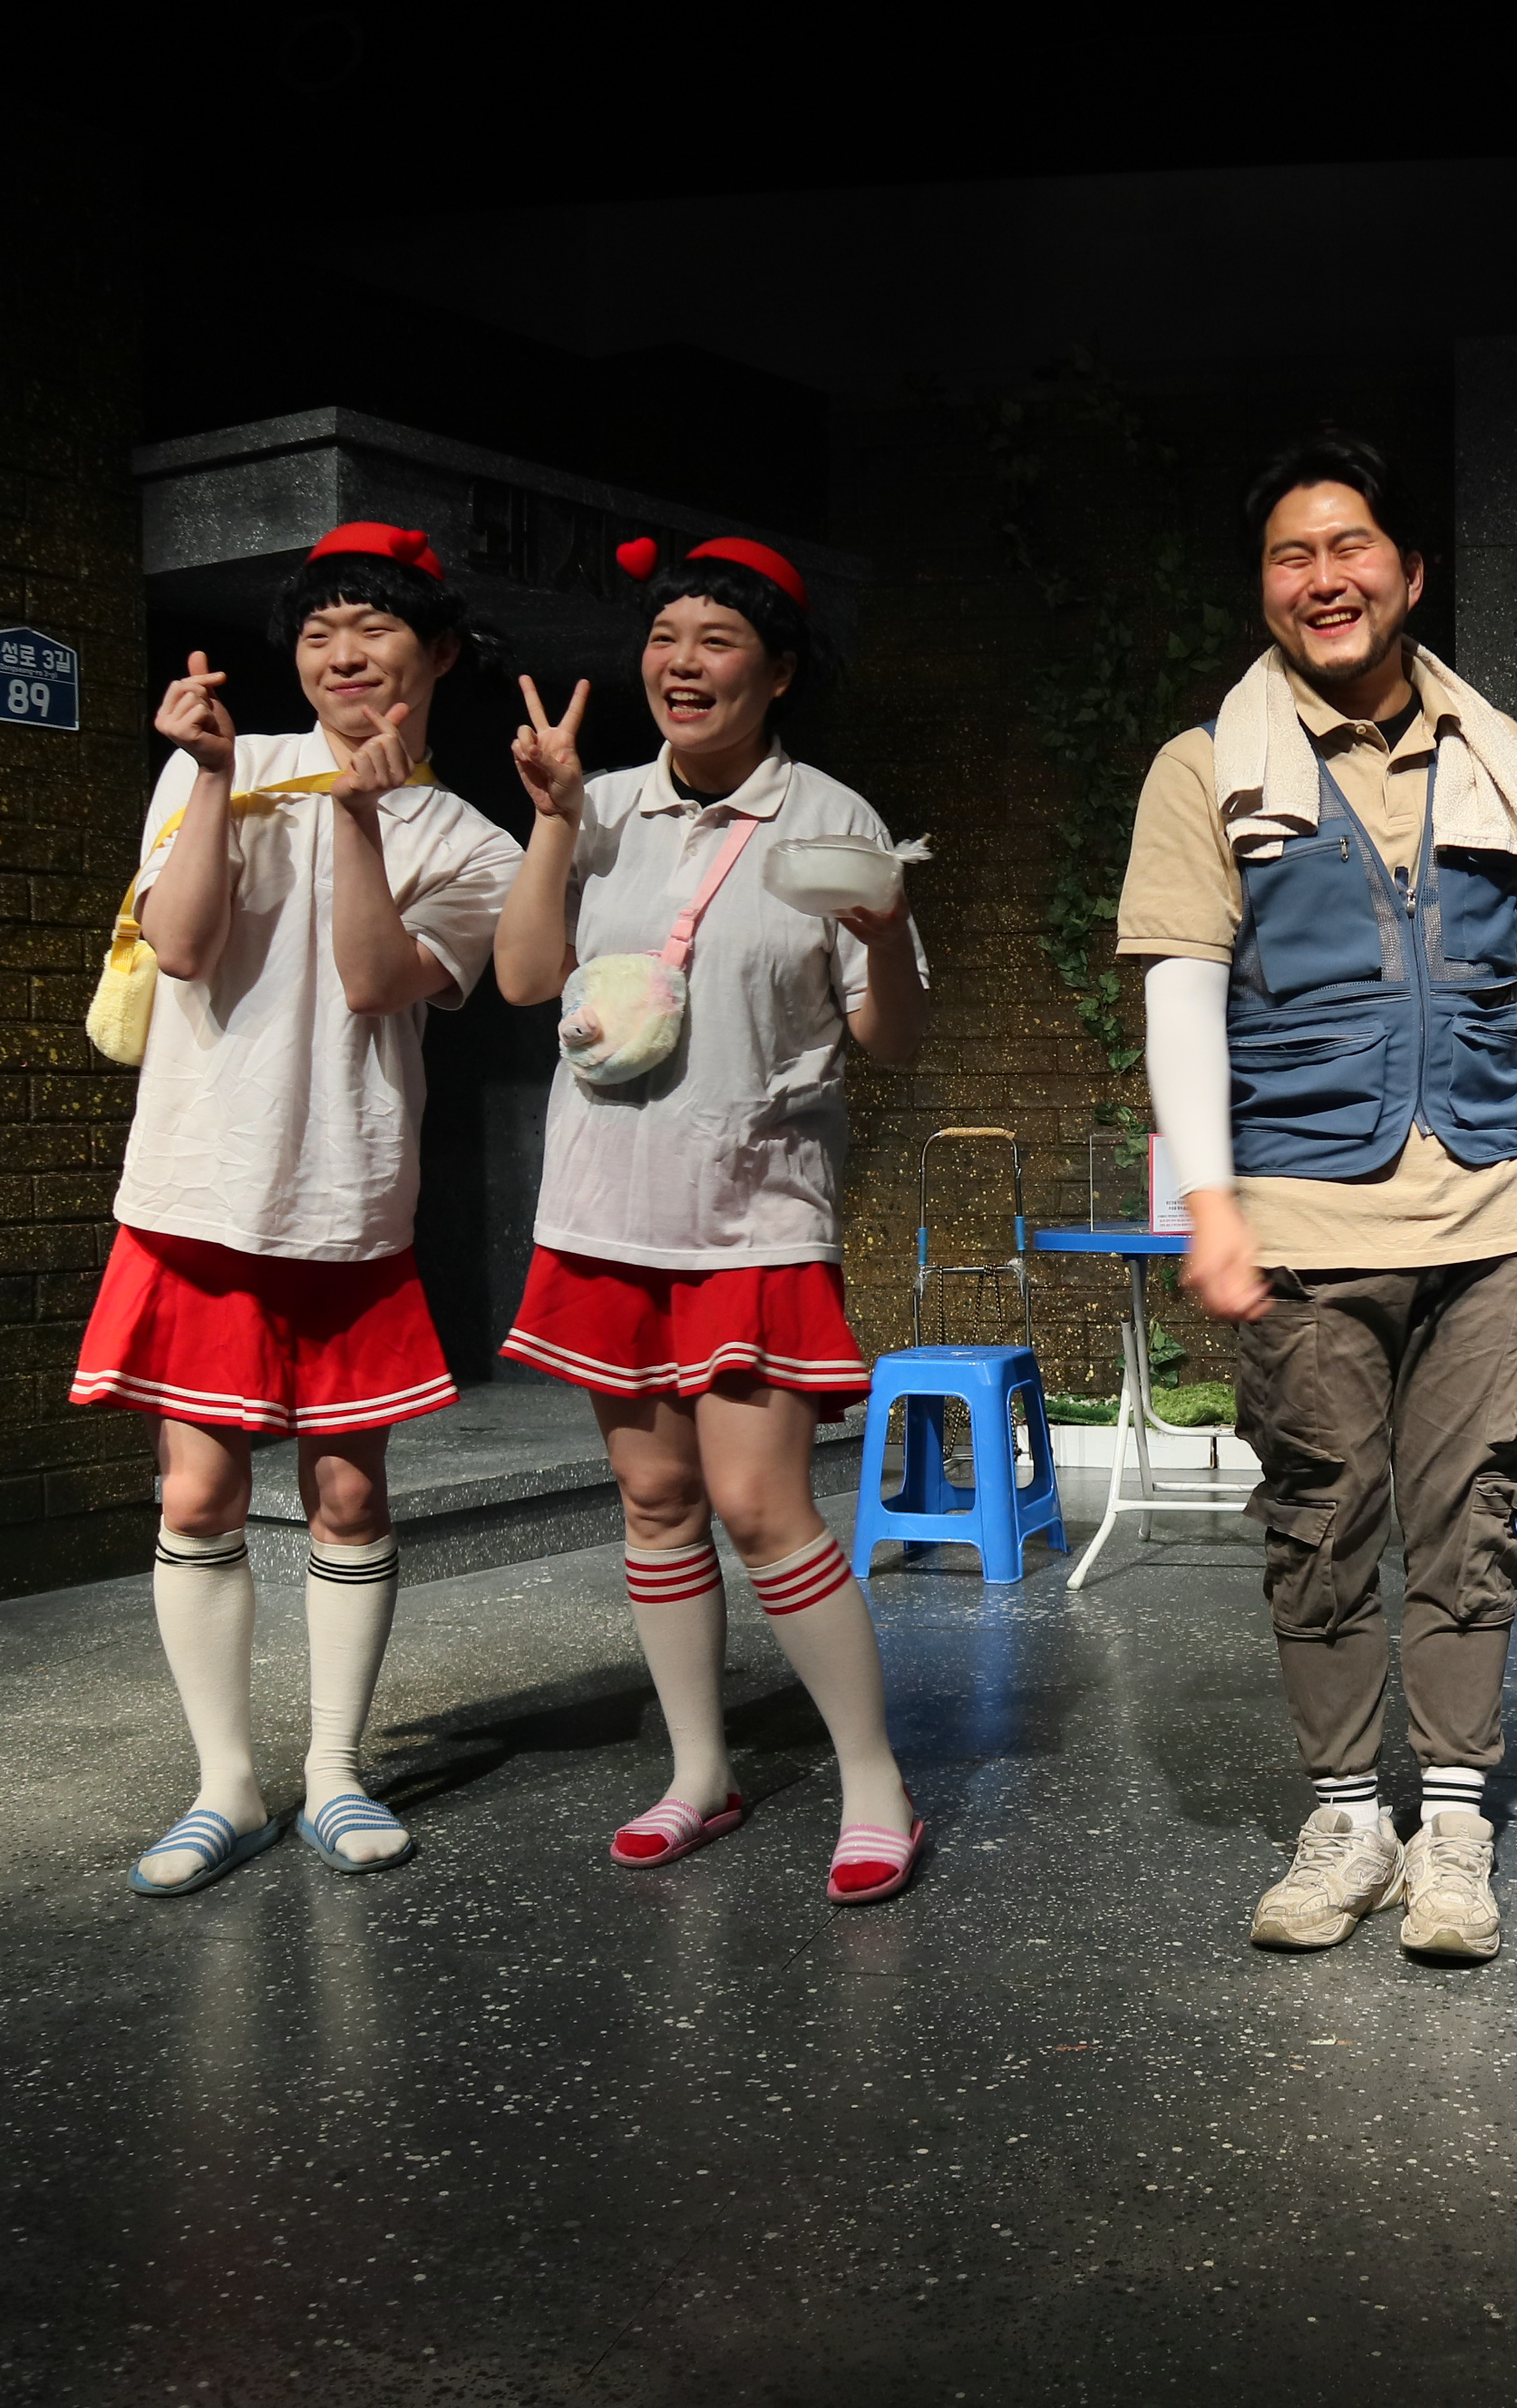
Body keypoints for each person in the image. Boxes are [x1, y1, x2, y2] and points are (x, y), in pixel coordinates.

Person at [1119, 432, 1517, 1966]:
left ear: (1410, 572)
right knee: (1322, 1521)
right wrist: (1209, 1200)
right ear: (1264, 588)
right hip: (1301, 1212)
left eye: (1350, 549)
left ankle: (1454, 1825)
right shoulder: (1208, 765)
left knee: (1470, 1520)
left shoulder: (1498, 749)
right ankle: (1346, 1817)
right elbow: (1181, 989)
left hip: (1487, 1209)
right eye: (1292, 555)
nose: (1322, 578)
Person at [75, 522, 524, 1896]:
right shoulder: (221, 763)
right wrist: (216, 779)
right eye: (321, 630)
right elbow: (184, 946)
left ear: (438, 653)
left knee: (347, 1493)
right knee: (200, 1491)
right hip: (197, 1186)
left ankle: (334, 1772)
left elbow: (377, 981)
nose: (343, 653)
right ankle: (224, 1787)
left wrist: (356, 818)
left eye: (374, 627)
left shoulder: (471, 840)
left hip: (345, 1194)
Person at [490, 535, 935, 1900]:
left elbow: (891, 1039)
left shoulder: (834, 823)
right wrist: (553, 817)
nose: (682, 665)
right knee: (656, 1496)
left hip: (753, 1211)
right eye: (665, 638)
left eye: (718, 642)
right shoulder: (604, 806)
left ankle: (877, 1784)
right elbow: (524, 981)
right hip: (607, 1205)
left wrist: (882, 937)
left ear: (778, 673)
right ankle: (699, 1773)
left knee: (761, 1503)